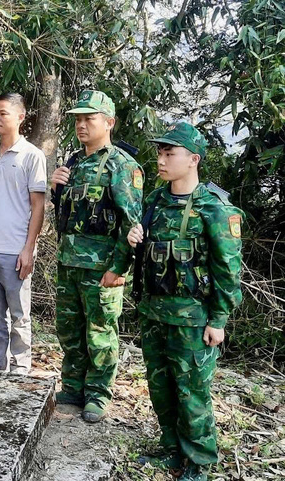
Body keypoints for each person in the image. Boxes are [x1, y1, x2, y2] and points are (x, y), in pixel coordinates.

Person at [127, 122, 243, 481]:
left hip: (193, 320)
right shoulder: (156, 201)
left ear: (193, 159)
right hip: (154, 313)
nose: (160, 160)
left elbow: (228, 269)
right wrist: (136, 240)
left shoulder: (216, 209)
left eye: (169, 153)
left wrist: (219, 320)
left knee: (192, 393)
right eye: (160, 152)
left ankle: (200, 462)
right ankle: (172, 451)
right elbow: (149, 254)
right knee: (160, 388)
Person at [50, 90, 143, 422]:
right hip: (69, 263)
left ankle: (99, 394)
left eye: (89, 118)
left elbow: (133, 224)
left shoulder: (122, 165)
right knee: (70, 331)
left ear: (109, 122)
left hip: (102, 267)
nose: (82, 125)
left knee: (100, 333)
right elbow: (67, 216)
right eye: (78, 119)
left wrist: (119, 268)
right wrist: (56, 190)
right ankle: (73, 387)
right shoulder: (74, 162)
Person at [0, 93, 46, 374]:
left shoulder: (32, 155)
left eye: (3, 113)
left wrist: (29, 248)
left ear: (20, 117)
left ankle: (21, 362)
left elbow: (37, 206)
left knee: (18, 312)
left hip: (15, 248)